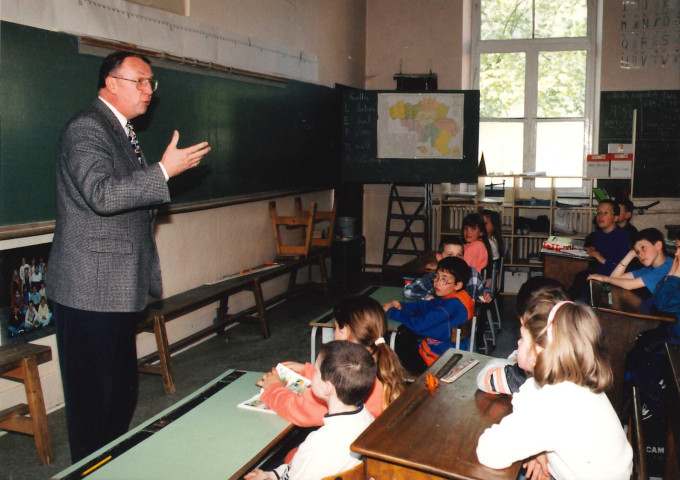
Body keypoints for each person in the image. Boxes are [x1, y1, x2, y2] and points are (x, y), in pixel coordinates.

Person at [49, 51, 211, 462]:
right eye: (139, 81)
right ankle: (89, 470)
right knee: (93, 401)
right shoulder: (87, 127)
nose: (148, 91)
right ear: (110, 83)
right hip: (90, 288)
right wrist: (162, 173)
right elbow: (102, 195)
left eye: (151, 83)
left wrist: (162, 173)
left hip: (117, 285)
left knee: (119, 394)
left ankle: (111, 465)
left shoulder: (122, 129)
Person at [476, 294, 633, 480]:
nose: (518, 343)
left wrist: (535, 445)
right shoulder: (575, 383)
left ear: (540, 351)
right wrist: (537, 449)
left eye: (523, 338)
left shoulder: (553, 402)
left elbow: (489, 451)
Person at [259, 296, 404, 427]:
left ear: (345, 331)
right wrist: (307, 370)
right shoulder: (379, 359)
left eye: (335, 327)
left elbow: (301, 410)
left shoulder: (345, 377)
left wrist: (273, 388)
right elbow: (337, 376)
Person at [245, 341, 376, 480]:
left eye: (315, 371)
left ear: (328, 388)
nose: (312, 373)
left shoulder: (317, 445)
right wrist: (270, 475)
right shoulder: (368, 419)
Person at [476, 276, 567, 396]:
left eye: (523, 338)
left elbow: (486, 377)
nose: (518, 343)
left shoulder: (526, 378)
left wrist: (516, 361)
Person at [385, 256, 474, 374]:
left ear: (458, 285)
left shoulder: (450, 306)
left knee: (393, 339)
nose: (437, 282)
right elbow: (427, 306)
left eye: (444, 280)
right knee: (406, 336)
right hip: (449, 352)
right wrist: (402, 306)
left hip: (438, 360)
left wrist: (392, 312)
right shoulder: (459, 298)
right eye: (437, 277)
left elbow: (420, 326)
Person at [403, 237, 492, 303]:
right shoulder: (435, 278)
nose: (455, 260)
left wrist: (486, 294)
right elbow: (408, 290)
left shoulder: (472, 275)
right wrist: (427, 297)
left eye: (459, 255)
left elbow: (484, 289)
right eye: (450, 255)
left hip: (464, 324)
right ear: (439, 258)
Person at [588, 228, 671, 292]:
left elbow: (628, 285)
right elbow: (615, 278)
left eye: (643, 248)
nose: (640, 255)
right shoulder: (650, 269)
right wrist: (630, 254)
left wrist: (603, 278)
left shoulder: (668, 267)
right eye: (637, 252)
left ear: (658, 245)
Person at [585, 200, 631, 276]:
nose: (601, 216)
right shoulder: (598, 234)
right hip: (598, 274)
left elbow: (625, 266)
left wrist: (601, 259)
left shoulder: (623, 237)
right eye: (599, 213)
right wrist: (592, 249)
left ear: (615, 218)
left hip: (614, 278)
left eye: (606, 213)